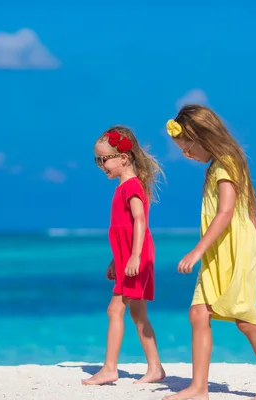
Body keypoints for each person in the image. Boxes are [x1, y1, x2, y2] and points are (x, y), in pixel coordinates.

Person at [163, 105, 256, 400]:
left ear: (202, 138)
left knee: (245, 319)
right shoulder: (221, 164)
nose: (186, 155)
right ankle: (198, 388)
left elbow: (228, 211)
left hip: (233, 252)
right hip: (222, 250)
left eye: (188, 148)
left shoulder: (226, 164)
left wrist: (196, 251)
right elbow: (251, 210)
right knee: (198, 313)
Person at [82, 126, 166, 385]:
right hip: (128, 257)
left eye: (104, 159)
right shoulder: (122, 187)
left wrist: (135, 257)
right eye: (98, 159)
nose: (101, 165)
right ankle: (155, 368)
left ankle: (109, 368)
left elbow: (140, 221)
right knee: (138, 314)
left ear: (123, 158)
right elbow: (123, 231)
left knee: (114, 309)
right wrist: (115, 260)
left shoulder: (131, 186)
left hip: (136, 257)